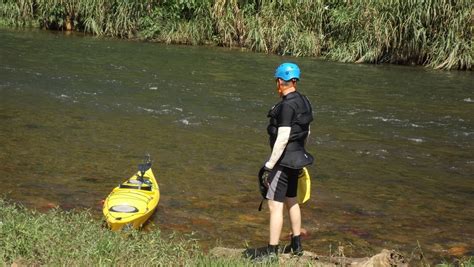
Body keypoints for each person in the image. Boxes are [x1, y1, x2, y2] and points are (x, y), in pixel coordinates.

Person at [258, 62, 314, 261]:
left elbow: (282, 138)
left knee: (274, 205)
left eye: (277, 81)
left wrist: (269, 165)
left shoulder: (286, 106)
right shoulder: (304, 101)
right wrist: (301, 153)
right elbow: (306, 131)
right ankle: (296, 245)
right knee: (292, 199)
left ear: (280, 81)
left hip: (284, 160)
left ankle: (272, 253)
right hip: (298, 158)